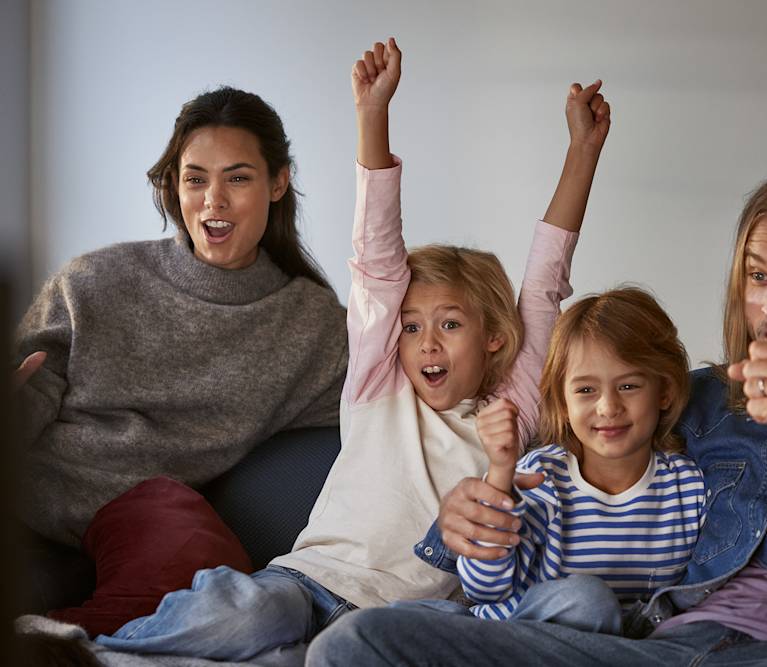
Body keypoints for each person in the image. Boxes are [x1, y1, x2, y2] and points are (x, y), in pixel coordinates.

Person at [305, 167, 767, 665]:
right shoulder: (698, 396)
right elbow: (570, 440)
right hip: (659, 644)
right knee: (357, 642)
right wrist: (475, 501)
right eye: (758, 277)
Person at [94, 37, 613, 663]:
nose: (425, 343)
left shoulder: (512, 414)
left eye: (450, 325)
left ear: (495, 337)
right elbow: (376, 263)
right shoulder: (379, 383)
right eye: (413, 327)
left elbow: (545, 281)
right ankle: (88, 652)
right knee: (256, 614)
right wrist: (373, 116)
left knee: (308, 658)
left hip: (402, 622)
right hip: (305, 587)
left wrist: (583, 149)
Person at [12, 85, 349, 614]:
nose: (213, 200)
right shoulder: (93, 282)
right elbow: (26, 396)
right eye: (196, 179)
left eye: (237, 177)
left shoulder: (312, 327)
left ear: (279, 182)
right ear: (174, 185)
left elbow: (396, 394)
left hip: (144, 541)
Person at [398, 287, 705, 637]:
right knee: (586, 600)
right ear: (562, 402)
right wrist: (500, 473)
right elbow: (484, 589)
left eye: (629, 386)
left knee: (603, 608)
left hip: (614, 650)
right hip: (519, 640)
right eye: (586, 390)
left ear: (664, 391)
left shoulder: (688, 488)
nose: (607, 407)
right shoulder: (541, 477)